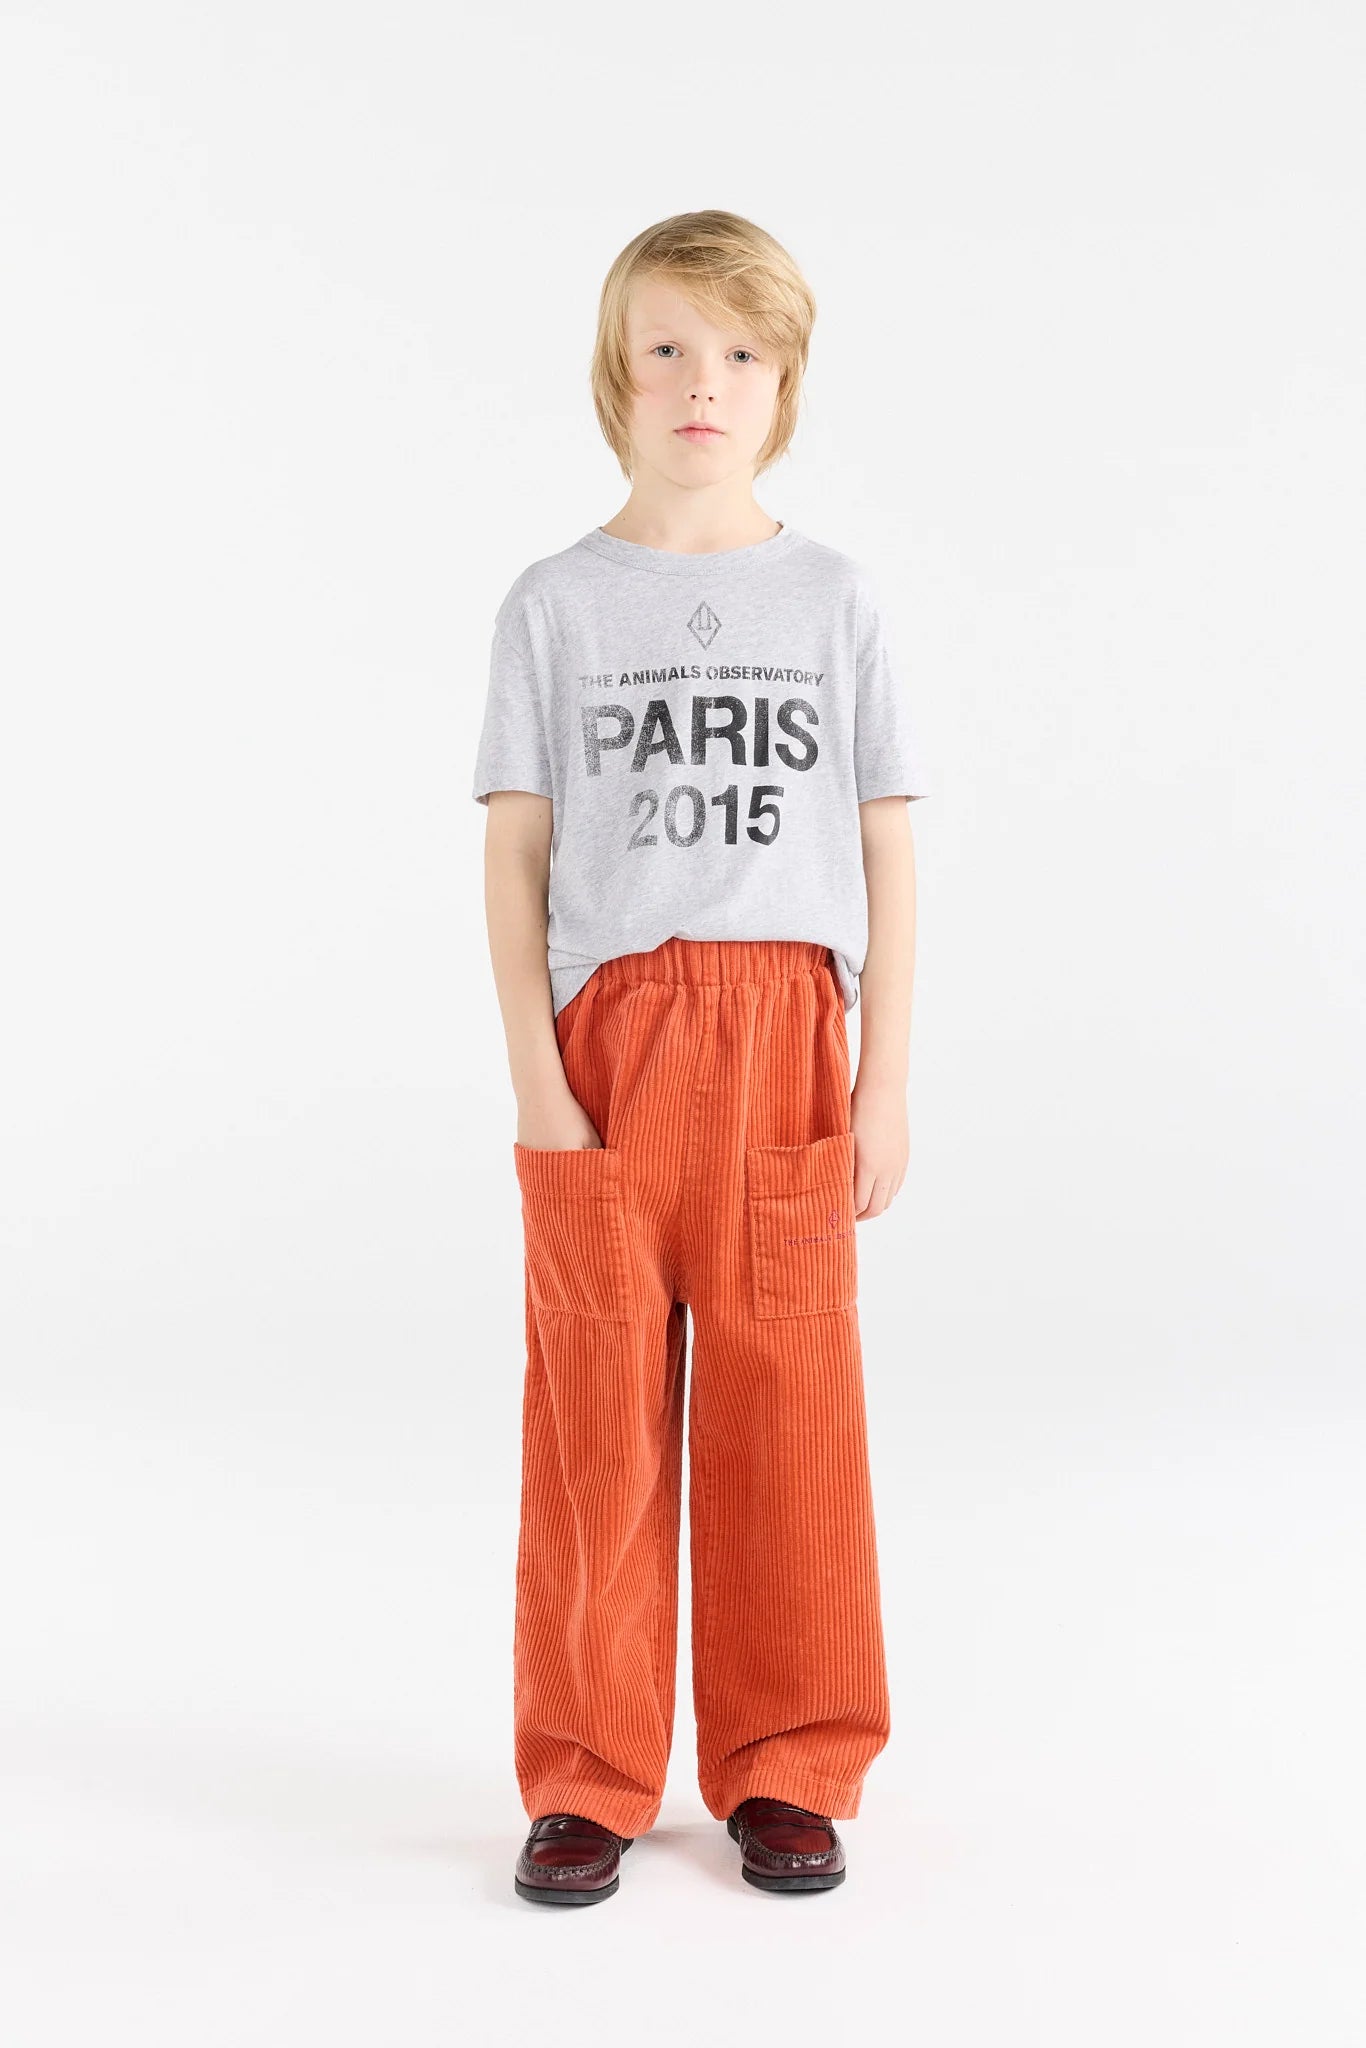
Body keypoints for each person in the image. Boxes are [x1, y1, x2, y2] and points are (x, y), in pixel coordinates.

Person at [472, 209, 930, 1905]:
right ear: (616, 372)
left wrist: (881, 1079)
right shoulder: (556, 605)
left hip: (789, 1038)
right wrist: (539, 1084)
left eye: (739, 354)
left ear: (783, 385)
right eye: (665, 347)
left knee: (786, 1409)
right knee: (593, 1417)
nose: (701, 384)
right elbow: (517, 853)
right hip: (611, 1040)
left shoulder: (832, 599)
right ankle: (587, 1773)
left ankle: (787, 1761)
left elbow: (882, 846)